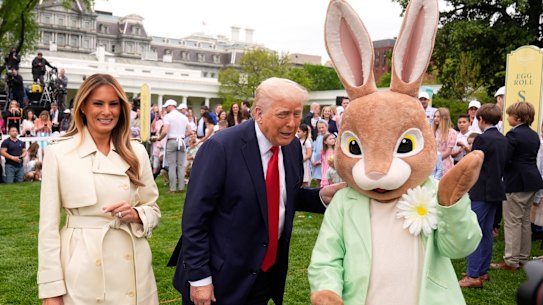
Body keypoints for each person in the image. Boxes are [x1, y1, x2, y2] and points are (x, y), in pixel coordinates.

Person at [170, 77, 343, 305]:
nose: (292, 123)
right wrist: (200, 278)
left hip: (263, 276)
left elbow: (282, 196)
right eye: (283, 114)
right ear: (258, 113)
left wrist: (321, 197)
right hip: (219, 278)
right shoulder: (221, 147)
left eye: (297, 114)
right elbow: (195, 218)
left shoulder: (291, 147)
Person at [37, 73, 161, 304]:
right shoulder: (60, 152)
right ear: (83, 106)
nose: (107, 111)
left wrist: (136, 215)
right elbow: (48, 229)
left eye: (114, 104)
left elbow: (153, 209)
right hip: (82, 268)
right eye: (98, 103)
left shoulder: (136, 152)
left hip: (132, 266)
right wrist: (51, 290)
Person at [459, 103, 508, 288]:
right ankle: (482, 270)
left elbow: (474, 165)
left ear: (481, 119)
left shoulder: (482, 139)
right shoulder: (503, 139)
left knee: (474, 232)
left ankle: (473, 275)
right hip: (496, 189)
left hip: (481, 190)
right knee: (486, 232)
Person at [491, 101, 543, 271]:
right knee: (524, 220)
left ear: (518, 117)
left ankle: (511, 261)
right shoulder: (534, 135)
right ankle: (522, 257)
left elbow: (506, 158)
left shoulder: (513, 135)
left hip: (516, 182)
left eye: (510, 115)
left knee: (513, 221)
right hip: (532, 180)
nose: (508, 118)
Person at [151, 99, 190, 193]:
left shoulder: (168, 116)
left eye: (166, 107)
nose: (165, 108)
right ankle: (181, 188)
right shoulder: (183, 117)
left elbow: (165, 131)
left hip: (172, 141)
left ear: (170, 106)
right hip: (181, 141)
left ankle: (172, 189)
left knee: (172, 166)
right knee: (181, 165)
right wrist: (182, 136)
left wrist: (159, 138)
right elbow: (189, 130)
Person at [432, 107, 457, 174]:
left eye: (438, 117)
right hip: (433, 163)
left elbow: (448, 152)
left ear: (444, 118)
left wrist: (436, 160)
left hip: (445, 163)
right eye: (434, 116)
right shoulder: (434, 131)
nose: (435, 118)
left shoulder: (452, 132)